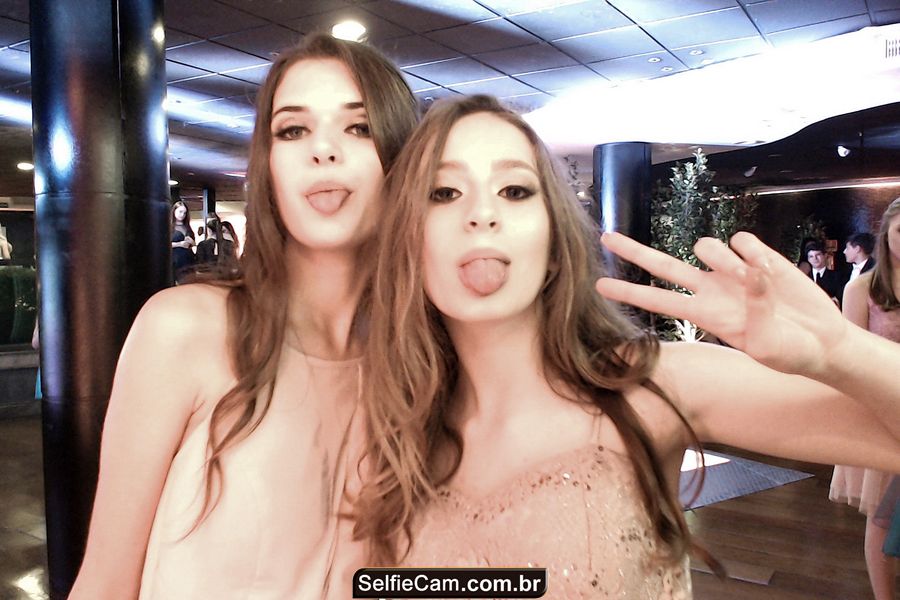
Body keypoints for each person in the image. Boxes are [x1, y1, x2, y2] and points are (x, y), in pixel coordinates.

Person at [352, 95, 900, 598]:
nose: (481, 213)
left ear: (554, 243)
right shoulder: (391, 428)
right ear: (409, 240)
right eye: (444, 192)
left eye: (515, 191)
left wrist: (840, 351)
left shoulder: (650, 384)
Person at [69, 33, 418, 600]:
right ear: (268, 164)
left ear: (401, 158)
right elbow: (105, 582)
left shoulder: (418, 369)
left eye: (359, 127)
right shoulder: (186, 330)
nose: (323, 150)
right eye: (293, 130)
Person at [830, 198, 900, 600]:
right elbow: (850, 360)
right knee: (883, 517)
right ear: (885, 235)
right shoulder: (861, 288)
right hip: (883, 412)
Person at [807, 241, 847, 305]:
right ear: (808, 259)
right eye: (811, 256)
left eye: (818, 255)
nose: (815, 258)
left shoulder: (837, 277)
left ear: (825, 255)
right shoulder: (804, 277)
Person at [170, 200, 196, 282]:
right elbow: (163, 245)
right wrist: (179, 244)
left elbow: (193, 244)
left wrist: (192, 242)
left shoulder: (187, 227)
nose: (182, 215)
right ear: (174, 211)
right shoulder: (169, 227)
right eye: (180, 212)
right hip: (175, 259)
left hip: (188, 259)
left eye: (184, 213)